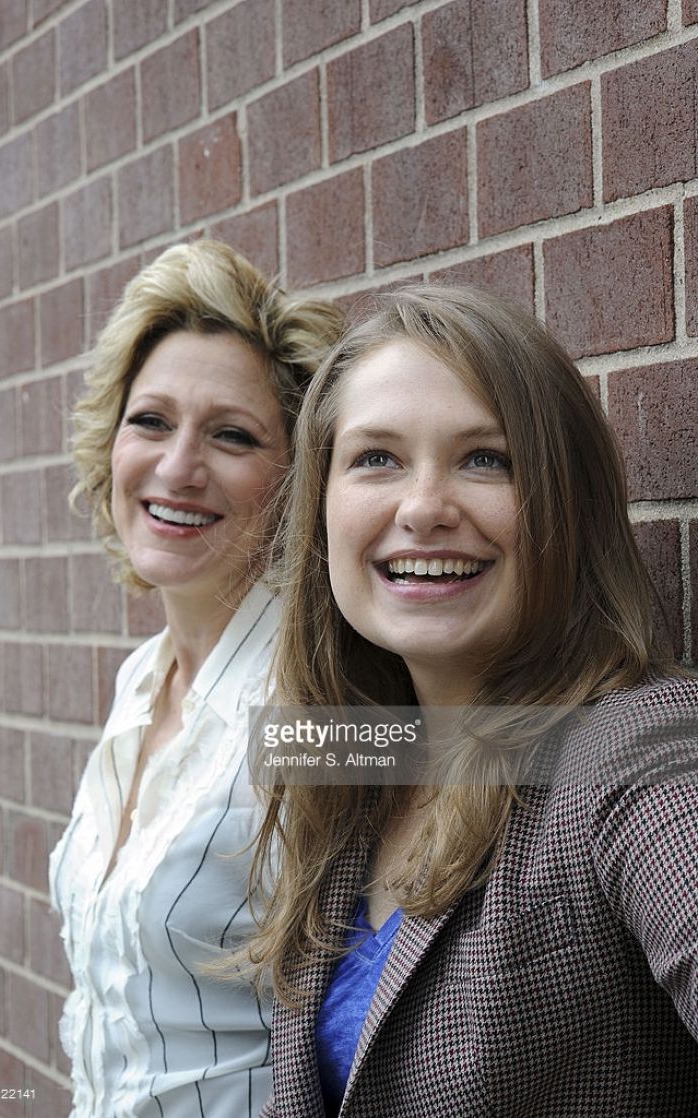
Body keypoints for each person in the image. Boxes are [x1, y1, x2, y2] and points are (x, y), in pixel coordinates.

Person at [247, 285, 698, 1116]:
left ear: (568, 501)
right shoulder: (356, 760)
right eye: (375, 458)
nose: (423, 508)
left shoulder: (640, 747)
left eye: (486, 458)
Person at [48, 238, 342, 1118]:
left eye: (232, 435)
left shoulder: (315, 708)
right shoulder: (141, 683)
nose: (177, 467)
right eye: (151, 421)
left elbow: (506, 762)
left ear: (295, 479)